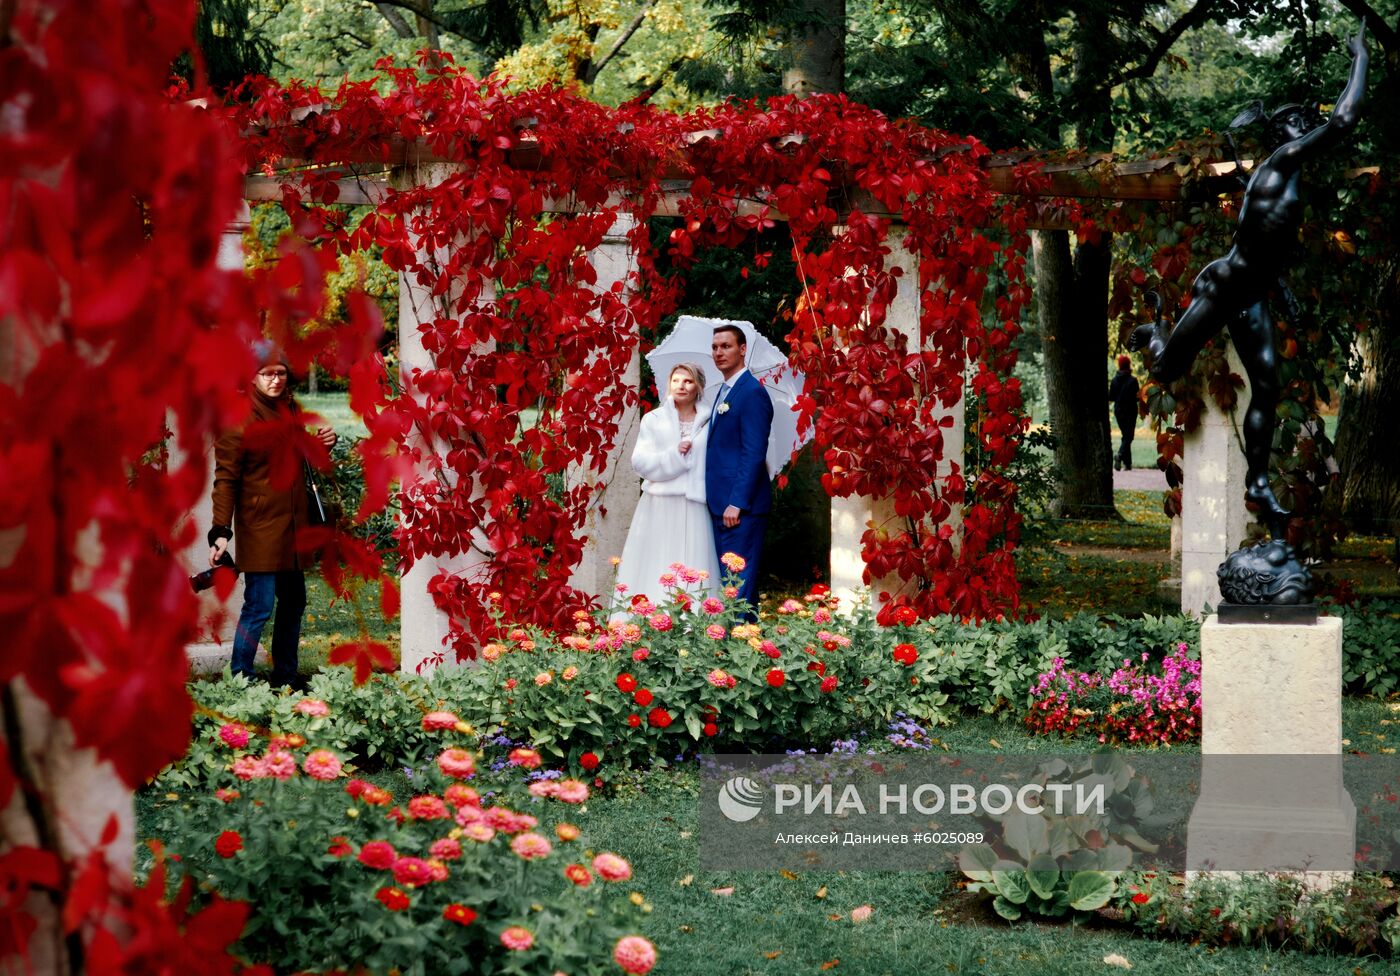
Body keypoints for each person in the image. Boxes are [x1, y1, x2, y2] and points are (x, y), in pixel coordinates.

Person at [1129, 23, 1367, 537]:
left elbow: (1265, 248)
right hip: (1225, 285)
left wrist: (1280, 291)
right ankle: (1156, 332)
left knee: (1267, 385)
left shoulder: (1278, 176)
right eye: (1299, 123)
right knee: (1169, 369)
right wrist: (1360, 56)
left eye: (1306, 122)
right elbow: (1344, 119)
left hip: (1251, 292)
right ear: (1284, 134)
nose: (1307, 128)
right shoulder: (1282, 163)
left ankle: (1258, 484)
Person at [208, 342, 337, 688]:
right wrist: (220, 529)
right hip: (262, 528)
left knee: (294, 603)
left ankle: (285, 678)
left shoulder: (289, 408)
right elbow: (226, 478)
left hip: (293, 528)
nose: (276, 380)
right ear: (252, 377)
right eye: (267, 374)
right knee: (259, 606)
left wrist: (324, 441)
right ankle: (241, 679)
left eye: (280, 373)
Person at [613, 364, 720, 609]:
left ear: (699, 387)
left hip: (694, 504)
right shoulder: (653, 420)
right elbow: (640, 462)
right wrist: (675, 455)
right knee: (656, 561)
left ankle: (693, 631)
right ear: (669, 384)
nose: (681, 386)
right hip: (658, 504)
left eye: (688, 381)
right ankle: (651, 620)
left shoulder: (710, 422)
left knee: (694, 566)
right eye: (676, 380)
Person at [705, 324, 774, 616]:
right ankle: (749, 645)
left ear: (742, 349)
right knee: (737, 583)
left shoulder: (751, 394)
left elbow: (754, 453)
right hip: (721, 504)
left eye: (726, 346)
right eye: (715, 347)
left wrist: (737, 502)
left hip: (739, 509)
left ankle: (735, 651)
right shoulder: (724, 390)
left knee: (736, 584)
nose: (719, 352)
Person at [1108, 355, 1140, 471]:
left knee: (1126, 436)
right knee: (1128, 436)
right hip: (1130, 412)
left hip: (1118, 411)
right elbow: (1138, 397)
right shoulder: (1133, 380)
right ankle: (1120, 455)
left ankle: (1128, 464)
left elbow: (1111, 397)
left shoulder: (1114, 380)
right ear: (1128, 365)